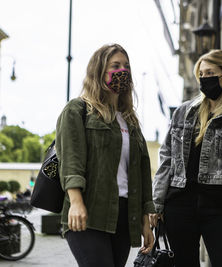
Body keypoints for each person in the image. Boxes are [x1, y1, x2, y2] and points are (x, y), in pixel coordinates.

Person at [150, 49, 222, 267]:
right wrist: (156, 204)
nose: (204, 79)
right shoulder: (184, 112)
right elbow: (167, 159)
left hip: (219, 208)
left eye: (210, 73)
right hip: (179, 206)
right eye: (201, 74)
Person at [56, 44, 155, 267]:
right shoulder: (78, 110)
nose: (123, 71)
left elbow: (141, 170)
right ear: (99, 70)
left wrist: (145, 220)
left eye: (126, 66)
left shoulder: (130, 120)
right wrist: (76, 202)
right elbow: (71, 160)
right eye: (115, 65)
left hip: (123, 216)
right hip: (89, 212)